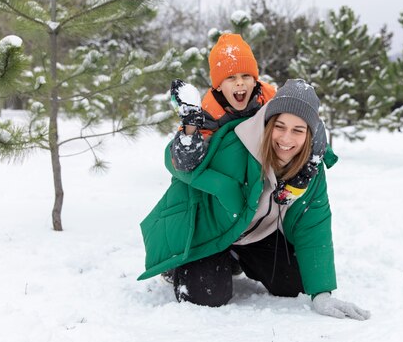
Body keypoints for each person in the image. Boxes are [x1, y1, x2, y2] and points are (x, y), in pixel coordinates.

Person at [139, 79, 369, 320]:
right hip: (210, 230)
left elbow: (313, 225)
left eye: (298, 130)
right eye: (280, 126)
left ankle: (235, 257)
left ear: (310, 135)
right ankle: (177, 266)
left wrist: (322, 293)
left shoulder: (310, 171)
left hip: (254, 235)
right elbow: (180, 163)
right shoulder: (239, 146)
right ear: (269, 123)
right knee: (206, 296)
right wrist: (221, 185)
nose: (286, 139)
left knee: (295, 284)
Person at [169, 33, 276, 172]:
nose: (239, 82)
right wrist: (190, 125)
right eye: (231, 77)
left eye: (246, 76)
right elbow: (185, 163)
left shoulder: (270, 97)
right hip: (229, 171)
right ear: (218, 85)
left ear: (254, 80)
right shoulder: (209, 111)